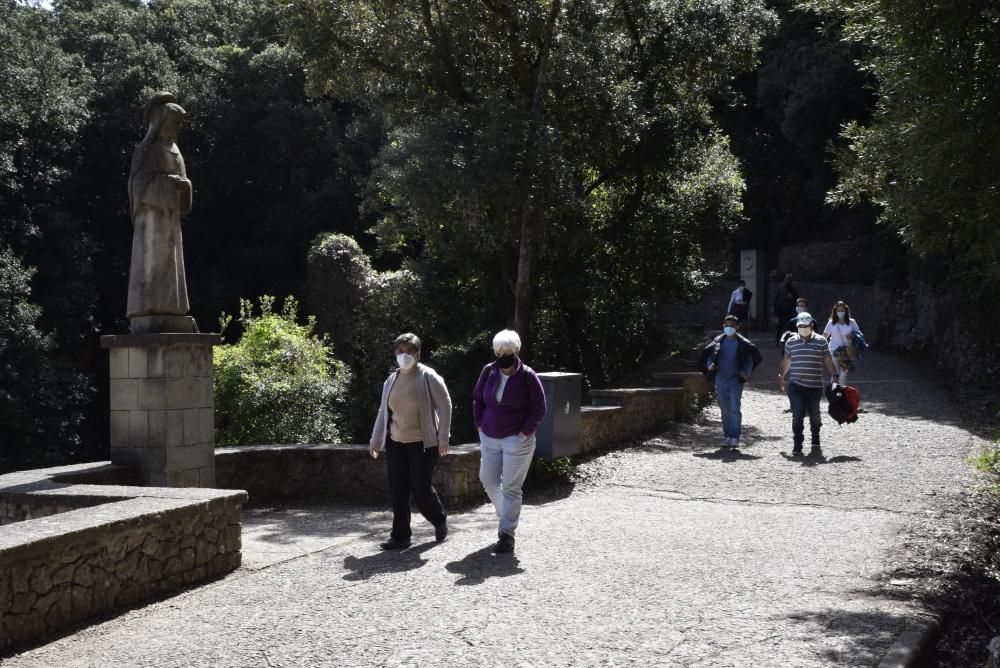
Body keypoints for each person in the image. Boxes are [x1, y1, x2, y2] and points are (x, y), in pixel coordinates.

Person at [369, 333, 452, 550]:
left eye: (409, 351)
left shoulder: (428, 377)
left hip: (423, 443)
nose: (404, 355)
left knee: (421, 489)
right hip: (396, 442)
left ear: (418, 353)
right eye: (400, 351)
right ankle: (400, 536)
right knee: (398, 489)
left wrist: (443, 438)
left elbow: (445, 406)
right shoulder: (392, 379)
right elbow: (383, 412)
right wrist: (375, 440)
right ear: (395, 353)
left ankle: (439, 518)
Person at [473, 329, 547, 554]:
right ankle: (504, 513)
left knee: (512, 488)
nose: (502, 354)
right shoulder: (488, 371)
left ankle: (507, 534)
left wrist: (524, 433)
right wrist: (479, 425)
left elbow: (539, 408)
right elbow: (477, 400)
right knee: (487, 479)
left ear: (516, 350)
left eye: (507, 350)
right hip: (489, 436)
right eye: (499, 351)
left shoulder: (528, 375)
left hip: (517, 440)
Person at [127, 92, 194, 330]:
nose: (177, 127)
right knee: (152, 263)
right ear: (161, 122)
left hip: (170, 220)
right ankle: (149, 307)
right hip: (152, 219)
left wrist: (183, 185)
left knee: (171, 262)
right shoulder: (145, 150)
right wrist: (169, 184)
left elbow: (184, 181)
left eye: (179, 124)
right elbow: (138, 185)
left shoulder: (176, 150)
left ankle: (172, 309)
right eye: (174, 122)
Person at [778, 312, 840, 455]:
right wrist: (782, 376)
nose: (802, 328)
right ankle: (797, 443)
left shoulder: (821, 341)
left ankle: (815, 438)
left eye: (805, 325)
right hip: (796, 385)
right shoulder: (791, 341)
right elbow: (787, 360)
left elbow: (828, 360)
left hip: (815, 385)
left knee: (815, 415)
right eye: (800, 326)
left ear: (811, 325)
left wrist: (835, 375)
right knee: (797, 414)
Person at [699, 315, 762, 449]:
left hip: (735, 380)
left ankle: (735, 437)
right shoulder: (718, 341)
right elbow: (710, 357)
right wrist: (710, 366)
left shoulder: (743, 343)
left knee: (734, 409)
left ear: (738, 327)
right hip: (720, 380)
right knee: (724, 410)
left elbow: (749, 361)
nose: (729, 328)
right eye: (726, 325)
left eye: (732, 326)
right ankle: (727, 436)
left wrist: (745, 373)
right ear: (723, 326)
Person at [823, 301, 865, 385]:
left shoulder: (852, 322)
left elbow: (859, 335)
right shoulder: (831, 323)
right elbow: (824, 336)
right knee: (835, 374)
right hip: (834, 350)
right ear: (835, 312)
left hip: (848, 351)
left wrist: (852, 335)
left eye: (842, 310)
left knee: (843, 374)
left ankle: (842, 391)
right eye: (838, 311)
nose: (840, 312)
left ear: (846, 311)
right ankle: (834, 393)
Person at [772, 274, 798, 346]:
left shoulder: (793, 289)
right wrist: (774, 307)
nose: (788, 280)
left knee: (789, 327)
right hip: (781, 310)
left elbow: (796, 299)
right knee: (780, 326)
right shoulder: (781, 288)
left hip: (790, 311)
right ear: (785, 279)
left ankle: (788, 340)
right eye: (787, 279)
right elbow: (776, 298)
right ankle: (777, 340)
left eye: (789, 279)